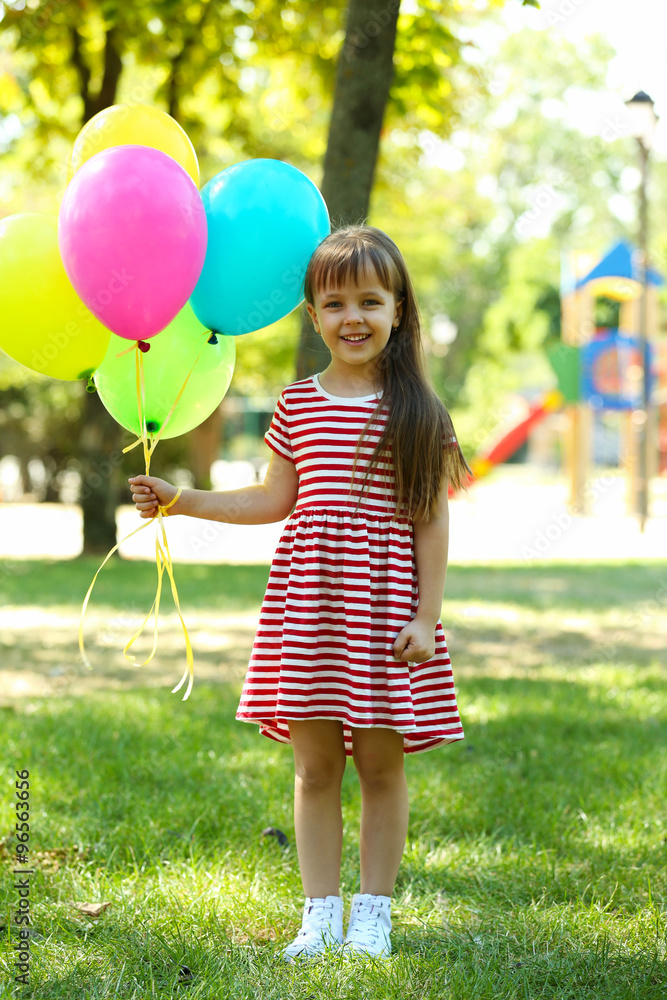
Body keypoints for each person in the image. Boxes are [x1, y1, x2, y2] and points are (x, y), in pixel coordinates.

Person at [129, 225, 471, 962]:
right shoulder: (296, 403)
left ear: (398, 310)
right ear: (312, 316)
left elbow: (433, 522)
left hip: (384, 611)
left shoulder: (419, 412)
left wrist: (425, 616)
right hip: (309, 606)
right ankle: (319, 914)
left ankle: (371, 914)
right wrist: (182, 500)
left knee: (382, 766)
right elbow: (271, 499)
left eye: (370, 302)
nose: (353, 317)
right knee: (314, 767)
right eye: (334, 302)